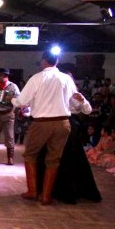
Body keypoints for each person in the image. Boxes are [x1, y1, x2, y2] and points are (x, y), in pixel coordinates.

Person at [12, 52, 79, 205]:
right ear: (57, 61)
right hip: (63, 123)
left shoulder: (37, 78)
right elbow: (75, 102)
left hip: (41, 123)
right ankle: (46, 196)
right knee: (54, 159)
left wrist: (13, 100)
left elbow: (22, 101)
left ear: (43, 61)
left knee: (30, 155)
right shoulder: (66, 78)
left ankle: (32, 191)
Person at [36, 91, 101, 204]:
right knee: (51, 157)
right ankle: (47, 190)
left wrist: (82, 101)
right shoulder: (49, 91)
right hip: (51, 125)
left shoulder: (72, 91)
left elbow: (87, 110)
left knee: (68, 158)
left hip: (68, 126)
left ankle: (62, 190)